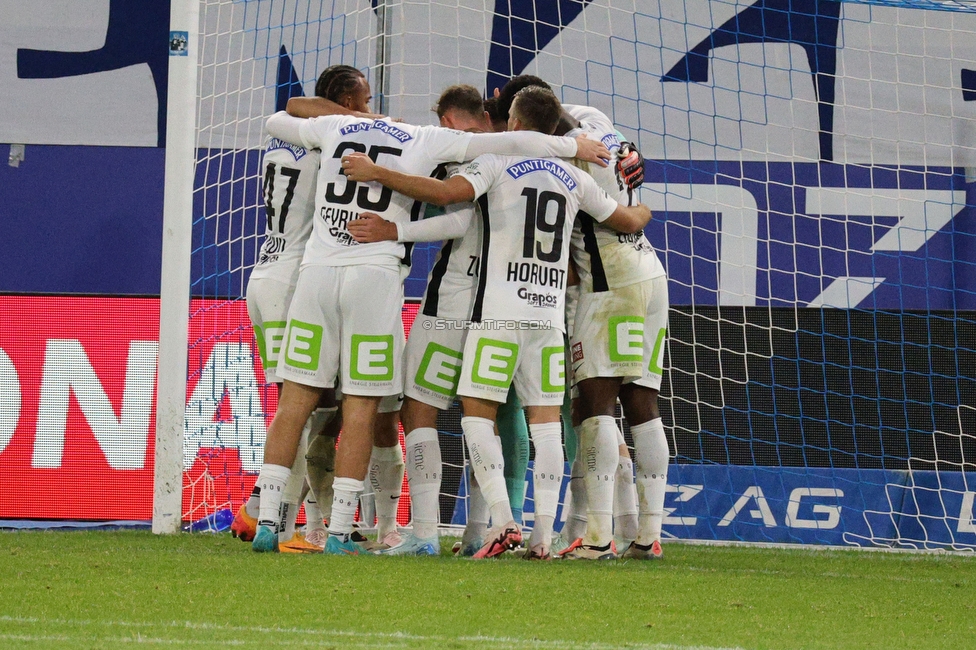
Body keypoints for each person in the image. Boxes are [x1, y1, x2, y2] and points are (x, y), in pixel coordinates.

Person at [252, 83, 614, 555]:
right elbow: (526, 157)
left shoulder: (355, 130)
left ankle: (303, 524)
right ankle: (490, 529)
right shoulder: (455, 144)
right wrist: (575, 145)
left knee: (396, 409)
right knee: (503, 415)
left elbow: (282, 117)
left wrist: (391, 208)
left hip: (423, 297)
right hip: (516, 307)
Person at [342, 86, 652, 559]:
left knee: (454, 413)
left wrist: (383, 198)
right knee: (545, 423)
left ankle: (455, 527)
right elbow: (625, 220)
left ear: (511, 121)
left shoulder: (492, 162)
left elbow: (452, 205)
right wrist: (645, 207)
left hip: (482, 312)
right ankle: (544, 534)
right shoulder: (573, 175)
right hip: (547, 315)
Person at [345, 85, 532, 556]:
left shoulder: (468, 160)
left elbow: (458, 220)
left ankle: (425, 533)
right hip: (507, 308)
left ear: (451, 121)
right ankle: (478, 532)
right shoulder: (525, 153)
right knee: (484, 416)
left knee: (419, 410)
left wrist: (396, 229)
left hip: (452, 305)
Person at [495, 76, 669, 561]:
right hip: (650, 273)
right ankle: (648, 534)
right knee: (643, 404)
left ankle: (596, 537)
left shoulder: (556, 159)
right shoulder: (599, 121)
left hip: (607, 281)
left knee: (592, 407)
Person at [233, 65, 376, 553]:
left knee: (302, 406)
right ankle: (275, 518)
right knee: (297, 407)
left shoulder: (284, 137)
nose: (367, 109)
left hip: (265, 276)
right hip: (295, 283)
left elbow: (288, 110)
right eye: (364, 101)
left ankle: (273, 511)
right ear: (344, 101)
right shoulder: (328, 145)